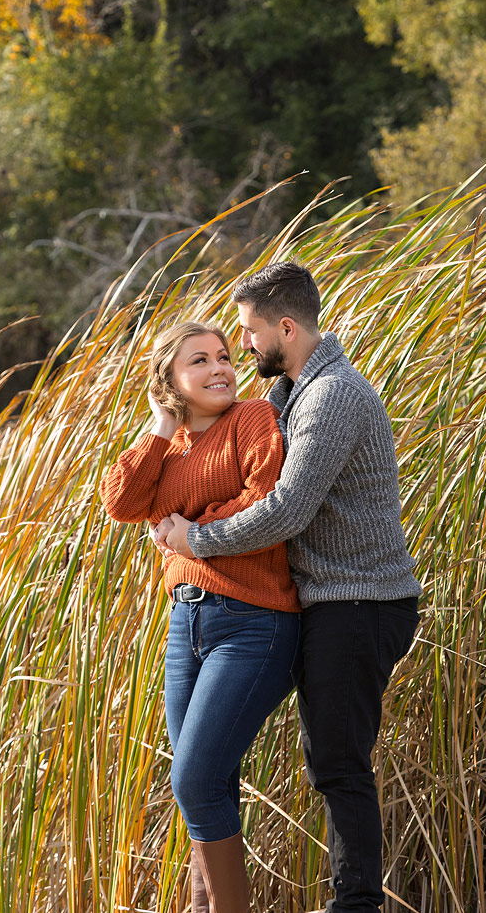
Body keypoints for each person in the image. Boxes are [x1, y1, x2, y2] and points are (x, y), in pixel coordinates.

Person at [156, 262, 422, 913]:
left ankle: (355, 906)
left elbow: (285, 511)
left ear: (284, 326)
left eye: (247, 331)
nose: (241, 345)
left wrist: (196, 540)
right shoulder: (290, 393)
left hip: (359, 600)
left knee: (337, 763)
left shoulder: (332, 394)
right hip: (326, 601)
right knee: (230, 767)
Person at [99, 319, 302, 913]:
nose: (220, 368)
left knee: (193, 779)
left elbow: (265, 501)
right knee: (201, 788)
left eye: (222, 356)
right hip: (184, 627)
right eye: (199, 361)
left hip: (253, 622)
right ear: (171, 379)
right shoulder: (170, 445)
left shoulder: (253, 420)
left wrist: (193, 532)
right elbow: (121, 502)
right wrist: (162, 424)